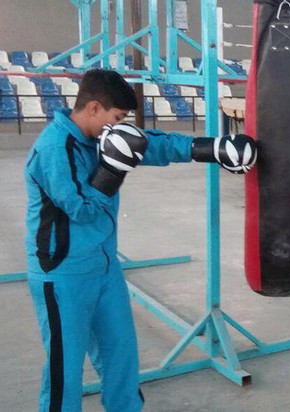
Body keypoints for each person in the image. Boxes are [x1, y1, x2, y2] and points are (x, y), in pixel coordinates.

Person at [24, 69, 247, 412]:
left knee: (121, 357)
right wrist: (112, 171)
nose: (119, 127)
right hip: (63, 273)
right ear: (94, 107)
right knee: (64, 369)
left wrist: (210, 148)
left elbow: (148, 143)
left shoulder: (100, 136)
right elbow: (81, 208)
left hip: (105, 268)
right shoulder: (55, 147)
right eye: (117, 118)